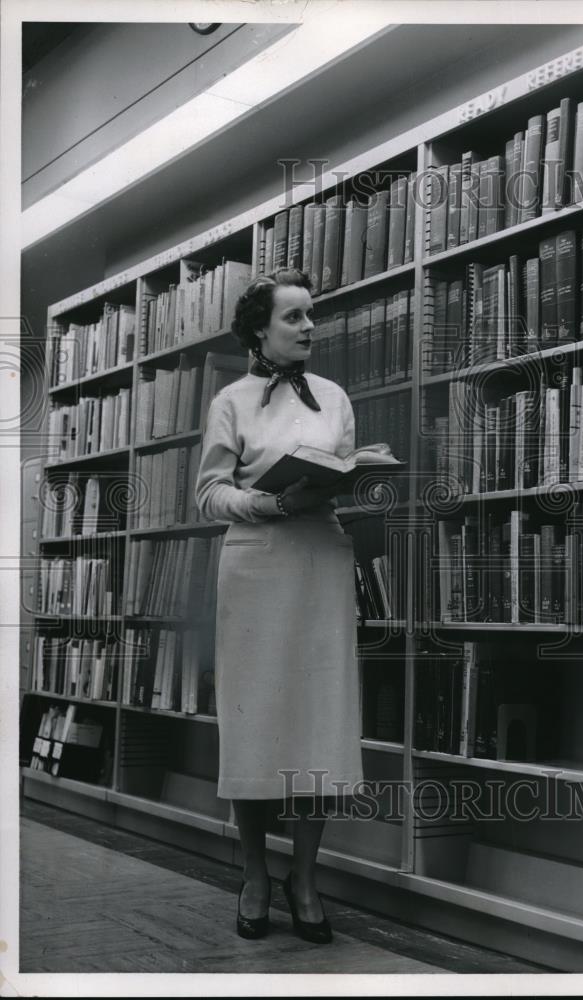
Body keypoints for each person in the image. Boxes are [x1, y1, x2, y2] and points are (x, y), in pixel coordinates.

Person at [195, 268, 366, 944]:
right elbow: (210, 494)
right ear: (260, 330)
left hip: (320, 561)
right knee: (256, 721)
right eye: (294, 317)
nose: (309, 328)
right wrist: (270, 502)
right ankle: (257, 875)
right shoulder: (231, 402)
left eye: (312, 315)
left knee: (318, 720)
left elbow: (347, 474)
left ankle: (305, 877)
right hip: (257, 566)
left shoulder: (334, 398)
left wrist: (350, 485)